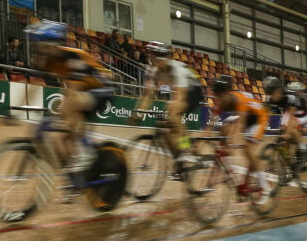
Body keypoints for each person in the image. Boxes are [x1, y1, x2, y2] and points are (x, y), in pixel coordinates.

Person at [25, 20, 114, 171]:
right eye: (38, 47)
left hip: (102, 89)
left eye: (42, 46)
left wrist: (58, 116)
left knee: (70, 106)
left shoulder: (73, 57)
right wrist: (19, 108)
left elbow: (73, 90)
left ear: (53, 44)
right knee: (64, 138)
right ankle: (75, 176)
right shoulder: (48, 60)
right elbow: (32, 85)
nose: (40, 50)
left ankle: (84, 154)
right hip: (84, 92)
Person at [132, 41, 203, 175]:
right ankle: (179, 161)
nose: (154, 64)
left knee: (173, 108)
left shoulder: (178, 70)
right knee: (166, 131)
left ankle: (187, 147)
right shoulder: (152, 71)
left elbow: (180, 98)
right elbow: (148, 95)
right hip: (179, 90)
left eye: (156, 60)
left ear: (166, 58)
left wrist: (172, 113)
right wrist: (138, 113)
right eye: (152, 60)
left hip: (194, 89)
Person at [210, 74, 270, 204]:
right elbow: (211, 123)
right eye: (216, 96)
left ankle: (265, 187)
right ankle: (230, 169)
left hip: (258, 118)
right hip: (246, 116)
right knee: (224, 127)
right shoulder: (223, 101)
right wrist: (202, 139)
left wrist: (232, 139)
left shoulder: (239, 100)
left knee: (248, 150)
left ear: (227, 93)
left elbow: (240, 124)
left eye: (220, 96)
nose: (218, 99)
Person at [264, 77, 307, 163]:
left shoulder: (291, 96)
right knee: (284, 133)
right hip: (290, 110)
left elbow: (291, 115)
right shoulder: (269, 97)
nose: (298, 93)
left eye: (300, 92)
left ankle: (304, 149)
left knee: (292, 129)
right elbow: (266, 113)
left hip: (303, 113)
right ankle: (289, 161)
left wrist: (288, 132)